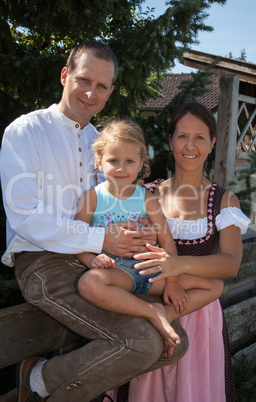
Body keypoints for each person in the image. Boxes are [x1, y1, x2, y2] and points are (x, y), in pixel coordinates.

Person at [0, 41, 189, 402]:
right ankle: (41, 381)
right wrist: (98, 238)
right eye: (84, 79)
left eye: (102, 86)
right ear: (64, 75)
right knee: (142, 341)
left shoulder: (101, 142)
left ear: (111, 91)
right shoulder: (27, 131)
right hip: (43, 261)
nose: (91, 92)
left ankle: (39, 378)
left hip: (106, 264)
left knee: (176, 345)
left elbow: (116, 202)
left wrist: (142, 228)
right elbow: (25, 216)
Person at [107, 101, 250, 402]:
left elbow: (230, 264)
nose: (190, 145)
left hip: (198, 315)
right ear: (170, 141)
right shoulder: (146, 193)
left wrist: (175, 264)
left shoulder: (225, 201)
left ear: (212, 143)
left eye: (200, 137)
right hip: (147, 308)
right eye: (182, 136)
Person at [75, 119, 223, 353]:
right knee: (89, 283)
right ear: (99, 162)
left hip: (153, 271)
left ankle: (167, 314)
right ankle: (152, 313)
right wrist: (90, 260)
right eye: (114, 161)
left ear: (141, 164)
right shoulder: (92, 198)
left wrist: (172, 282)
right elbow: (77, 237)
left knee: (214, 286)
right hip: (119, 271)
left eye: (130, 162)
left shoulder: (147, 198)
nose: (121, 168)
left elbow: (166, 240)